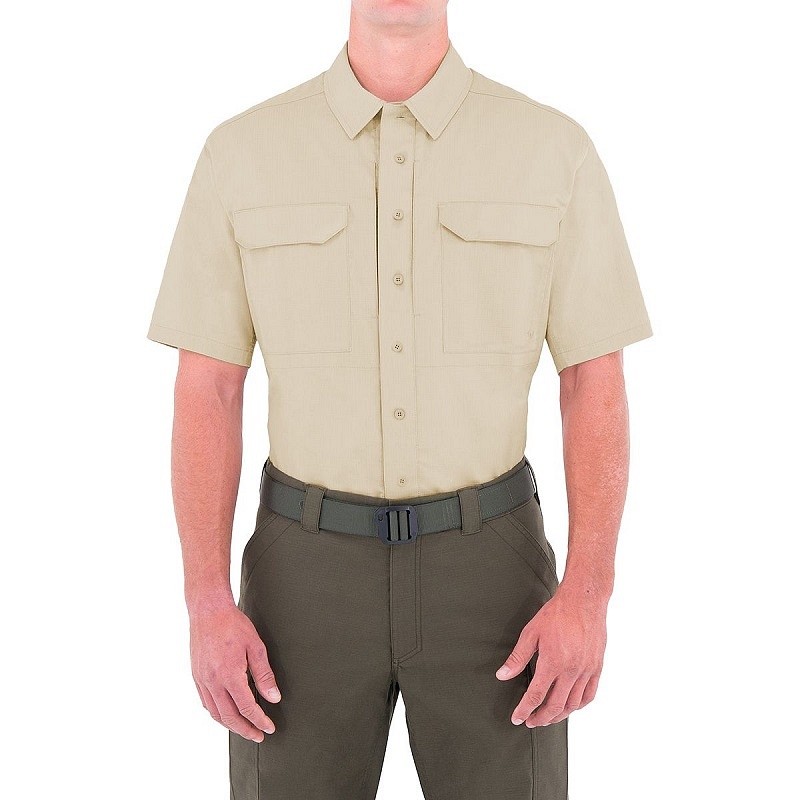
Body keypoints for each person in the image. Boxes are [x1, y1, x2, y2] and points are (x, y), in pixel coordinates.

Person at [147, 2, 653, 797]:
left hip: (492, 576)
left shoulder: (554, 152)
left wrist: (589, 592)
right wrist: (205, 600)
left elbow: (594, 380)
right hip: (302, 579)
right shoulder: (240, 154)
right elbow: (208, 388)